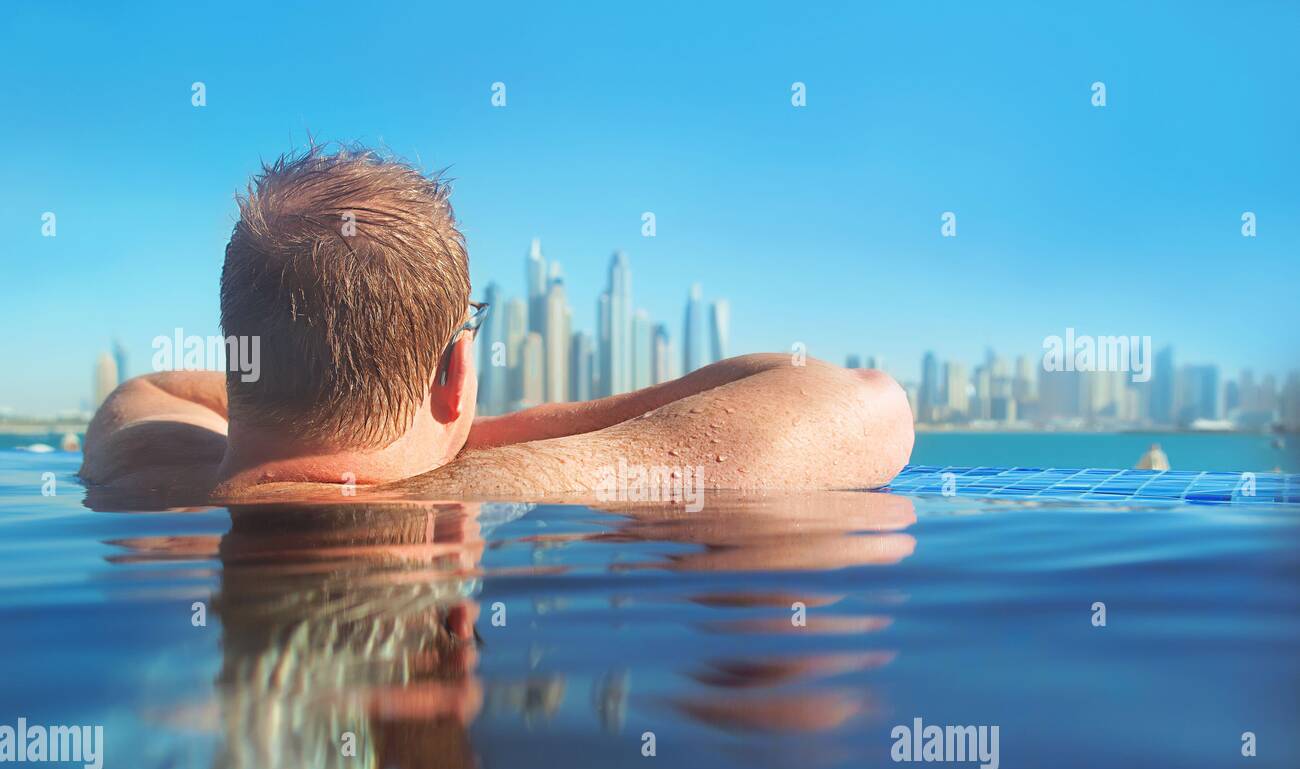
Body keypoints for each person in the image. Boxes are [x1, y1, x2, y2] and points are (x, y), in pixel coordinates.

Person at [80, 147, 913, 503]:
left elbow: (148, 386)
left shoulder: (144, 472)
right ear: (452, 372)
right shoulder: (500, 490)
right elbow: (875, 407)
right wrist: (484, 439)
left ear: (240, 358)